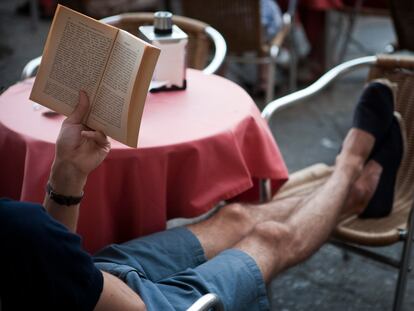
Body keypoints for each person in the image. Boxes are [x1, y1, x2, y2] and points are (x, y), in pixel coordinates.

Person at [0, 80, 403, 310]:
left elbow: (42, 264)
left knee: (236, 218)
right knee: (269, 240)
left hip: (85, 273)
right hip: (125, 305)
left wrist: (68, 173)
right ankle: (352, 169)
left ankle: (355, 192)